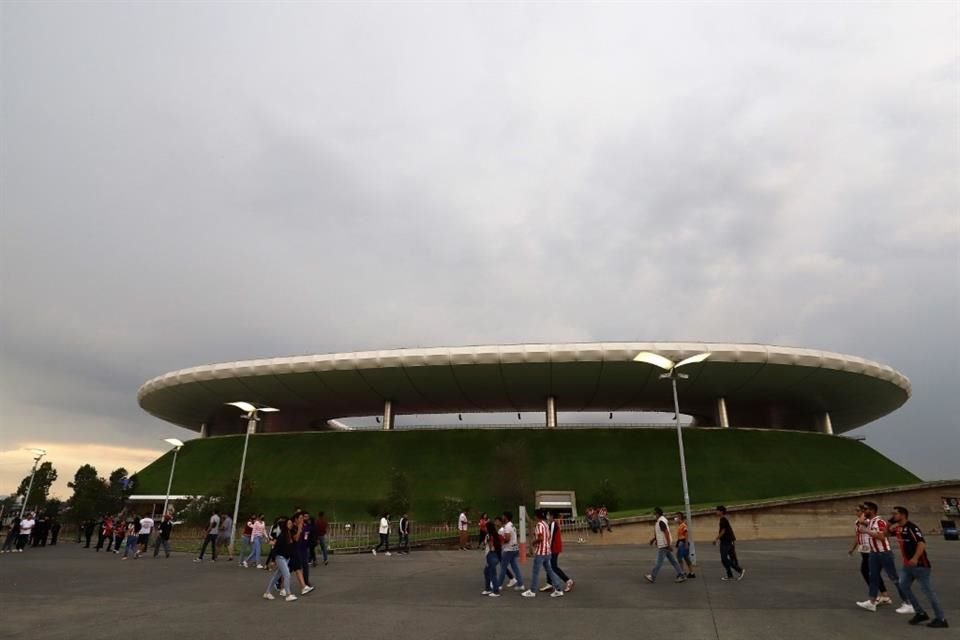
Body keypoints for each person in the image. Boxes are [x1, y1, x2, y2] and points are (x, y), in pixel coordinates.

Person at [891, 506, 949, 628]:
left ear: (903, 515)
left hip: (920, 565)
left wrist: (915, 558)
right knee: (903, 586)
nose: (893, 516)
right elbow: (884, 534)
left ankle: (941, 618)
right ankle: (920, 612)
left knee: (928, 591)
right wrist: (889, 523)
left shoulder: (912, 528)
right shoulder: (898, 528)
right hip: (907, 566)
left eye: (895, 514)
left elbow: (921, 543)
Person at [856, 500, 908, 613]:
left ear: (872, 510)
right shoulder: (870, 521)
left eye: (866, 509)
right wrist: (864, 521)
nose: (863, 512)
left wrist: (866, 531)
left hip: (884, 553)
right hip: (874, 553)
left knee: (894, 578)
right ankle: (872, 602)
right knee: (873, 577)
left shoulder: (879, 522)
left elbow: (881, 537)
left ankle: (907, 601)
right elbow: (860, 522)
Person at [848, 505, 890, 604]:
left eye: (859, 510)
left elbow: (867, 525)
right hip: (863, 549)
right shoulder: (857, 522)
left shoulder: (868, 521)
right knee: (869, 572)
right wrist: (852, 548)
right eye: (856, 510)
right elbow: (857, 536)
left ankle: (881, 595)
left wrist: (863, 516)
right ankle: (883, 594)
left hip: (870, 548)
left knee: (869, 571)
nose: (856, 512)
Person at [522, 510, 564, 598]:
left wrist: (533, 543)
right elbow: (547, 537)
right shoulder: (545, 524)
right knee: (550, 570)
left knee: (535, 572)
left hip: (540, 552)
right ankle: (558, 589)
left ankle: (532, 591)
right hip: (547, 551)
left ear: (537, 516)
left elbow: (540, 538)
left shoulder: (539, 525)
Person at [645, 507, 686, 584]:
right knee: (673, 561)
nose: (654, 515)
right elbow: (661, 533)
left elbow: (666, 533)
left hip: (664, 545)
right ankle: (681, 575)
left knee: (658, 563)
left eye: (655, 513)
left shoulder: (661, 522)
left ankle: (652, 577)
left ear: (658, 514)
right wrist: (653, 539)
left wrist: (669, 545)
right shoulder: (661, 521)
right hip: (665, 544)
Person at [263, 517, 297, 602]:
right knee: (287, 574)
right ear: (285, 525)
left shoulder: (291, 533)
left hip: (286, 558)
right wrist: (273, 560)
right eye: (288, 523)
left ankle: (267, 592)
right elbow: (276, 548)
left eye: (291, 523)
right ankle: (288, 594)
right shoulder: (282, 535)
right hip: (280, 557)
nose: (290, 525)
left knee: (277, 575)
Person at [540, 512, 574, 592]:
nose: (547, 516)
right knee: (549, 565)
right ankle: (549, 584)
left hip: (554, 548)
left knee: (553, 567)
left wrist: (547, 548)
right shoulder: (552, 524)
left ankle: (568, 581)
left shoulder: (553, 524)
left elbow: (551, 538)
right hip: (553, 548)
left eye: (548, 515)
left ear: (552, 516)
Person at [713, 506, 745, 581]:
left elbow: (723, 531)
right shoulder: (722, 519)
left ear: (721, 512)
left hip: (726, 541)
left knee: (724, 558)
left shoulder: (723, 520)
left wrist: (716, 539)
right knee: (728, 559)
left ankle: (740, 570)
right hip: (727, 541)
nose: (715, 512)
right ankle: (730, 575)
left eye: (717, 511)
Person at [498, 511, 525, 592]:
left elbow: (507, 538)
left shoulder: (507, 527)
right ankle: (521, 584)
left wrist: (501, 541)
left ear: (506, 517)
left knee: (503, 567)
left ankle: (499, 585)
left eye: (503, 516)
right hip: (515, 548)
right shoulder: (512, 525)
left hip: (508, 549)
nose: (502, 517)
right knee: (515, 567)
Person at [481, 521, 502, 597]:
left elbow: (489, 545)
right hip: (495, 554)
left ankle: (496, 591)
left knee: (492, 573)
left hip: (491, 555)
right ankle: (487, 588)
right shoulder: (496, 535)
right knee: (487, 572)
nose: (484, 528)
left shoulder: (489, 536)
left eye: (485, 527)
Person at [674, 512, 696, 578]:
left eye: (676, 517)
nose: (675, 519)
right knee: (685, 558)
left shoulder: (683, 525)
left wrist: (686, 544)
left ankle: (683, 572)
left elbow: (686, 534)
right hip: (681, 543)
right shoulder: (680, 525)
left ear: (679, 517)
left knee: (680, 557)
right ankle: (690, 572)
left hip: (683, 543)